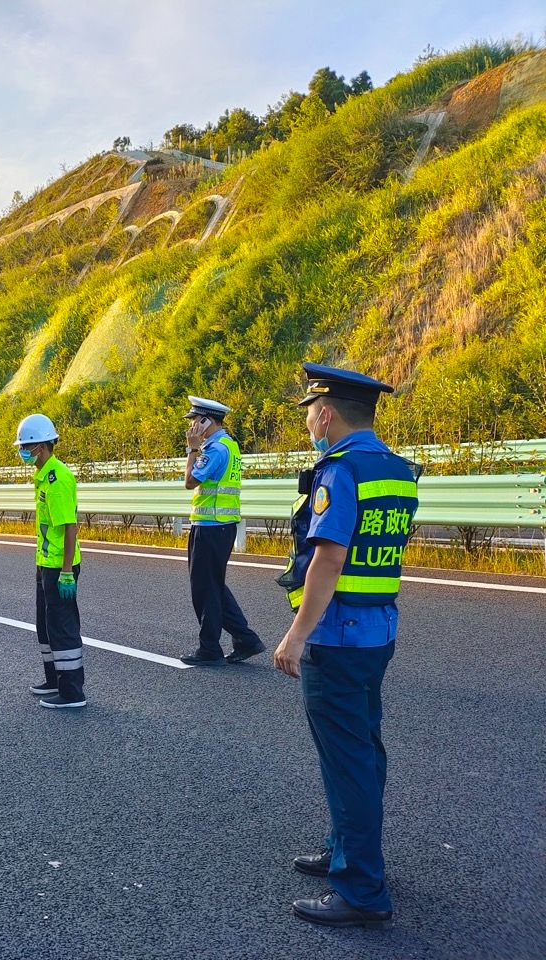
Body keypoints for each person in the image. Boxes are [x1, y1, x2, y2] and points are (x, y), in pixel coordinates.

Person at [273, 363, 420, 930]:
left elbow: (329, 559)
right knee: (364, 750)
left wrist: (295, 635)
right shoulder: (398, 469)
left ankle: (361, 887)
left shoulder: (339, 471)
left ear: (327, 413)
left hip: (335, 635)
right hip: (378, 629)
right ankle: (349, 850)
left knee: (347, 761)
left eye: (311, 410)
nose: (309, 420)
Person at [179, 397, 265, 666]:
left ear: (208, 421)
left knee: (204, 589)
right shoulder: (228, 445)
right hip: (217, 526)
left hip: (212, 527)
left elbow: (189, 481)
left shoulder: (215, 449)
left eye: (195, 420)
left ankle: (210, 649)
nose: (192, 426)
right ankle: (246, 640)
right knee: (212, 587)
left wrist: (192, 449)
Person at [17, 413, 86, 709]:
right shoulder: (43, 474)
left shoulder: (57, 479)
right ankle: (54, 679)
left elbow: (69, 525)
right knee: (44, 624)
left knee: (62, 626)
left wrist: (67, 570)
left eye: (25, 447)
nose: (22, 452)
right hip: (47, 563)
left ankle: (72, 693)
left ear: (41, 448)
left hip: (61, 566)